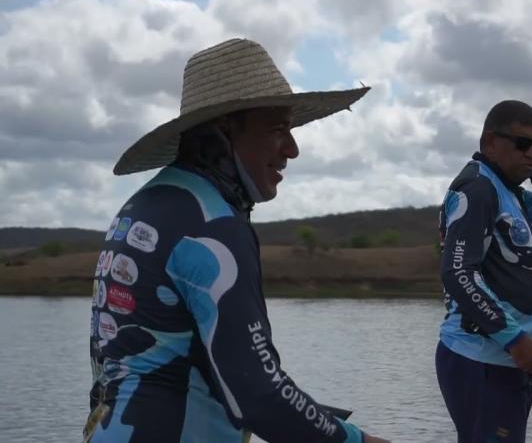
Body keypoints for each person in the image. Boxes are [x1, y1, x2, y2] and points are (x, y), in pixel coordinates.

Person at [84, 38, 389, 443]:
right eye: (279, 128)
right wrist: (355, 439)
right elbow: (257, 396)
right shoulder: (214, 228)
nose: (292, 150)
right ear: (225, 128)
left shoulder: (145, 205)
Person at [436, 100, 532, 443]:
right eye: (522, 144)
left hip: (510, 361)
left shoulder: (510, 194)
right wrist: (515, 339)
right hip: (481, 359)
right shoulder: (478, 189)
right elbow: (458, 272)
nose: (531, 152)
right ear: (489, 142)